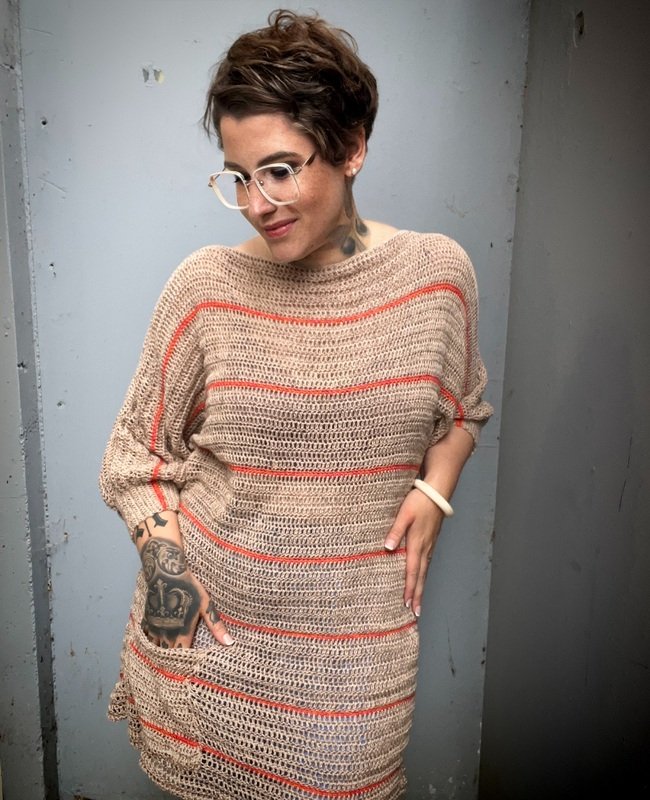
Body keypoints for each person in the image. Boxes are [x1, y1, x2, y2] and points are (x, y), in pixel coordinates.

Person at [99, 9, 492, 800]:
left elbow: (465, 409)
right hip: (214, 655)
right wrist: (171, 576)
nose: (257, 202)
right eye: (238, 177)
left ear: (351, 148)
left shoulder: (437, 279)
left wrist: (434, 490)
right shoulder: (206, 288)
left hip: (356, 665)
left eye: (279, 170)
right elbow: (133, 459)